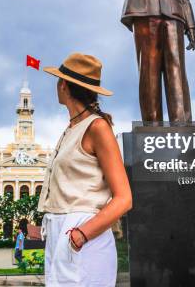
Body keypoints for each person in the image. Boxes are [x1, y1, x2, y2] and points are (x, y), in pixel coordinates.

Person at [37, 53, 133, 287]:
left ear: (64, 86)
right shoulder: (72, 128)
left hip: (83, 232)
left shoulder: (97, 127)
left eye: (59, 80)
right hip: (63, 233)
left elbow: (124, 199)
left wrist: (81, 234)